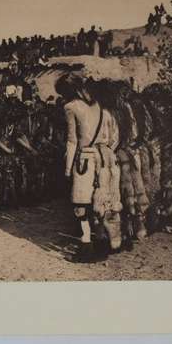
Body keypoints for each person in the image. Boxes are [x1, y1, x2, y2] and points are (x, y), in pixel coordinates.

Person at [56, 75, 121, 263]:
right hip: (105, 159)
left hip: (84, 159)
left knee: (81, 204)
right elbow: (113, 139)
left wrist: (68, 168)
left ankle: (86, 245)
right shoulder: (100, 107)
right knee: (102, 202)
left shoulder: (71, 108)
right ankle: (103, 240)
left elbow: (72, 140)